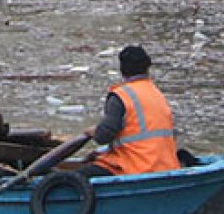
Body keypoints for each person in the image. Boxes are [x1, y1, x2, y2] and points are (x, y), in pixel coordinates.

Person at [78, 44, 181, 177]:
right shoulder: (156, 93)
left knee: (72, 177)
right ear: (147, 68)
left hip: (134, 167)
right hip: (167, 165)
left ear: (122, 70)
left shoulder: (121, 96)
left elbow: (104, 135)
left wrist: (93, 132)